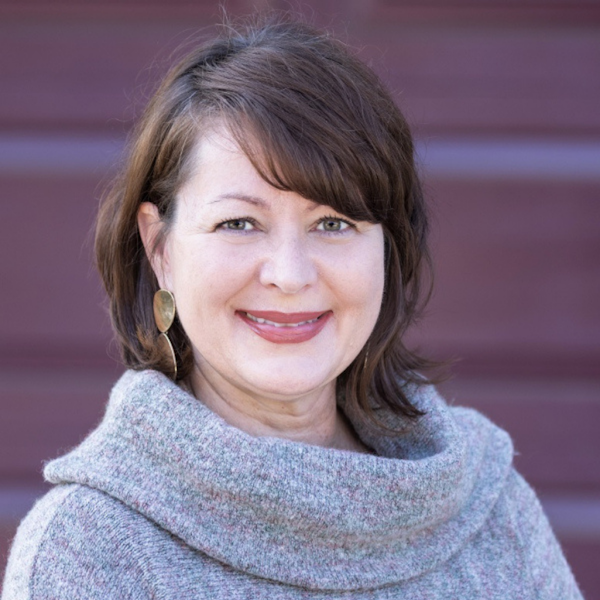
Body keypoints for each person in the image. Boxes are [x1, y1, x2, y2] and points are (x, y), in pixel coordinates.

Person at [2, 18, 583, 600]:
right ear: (160, 249)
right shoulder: (85, 557)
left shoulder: (490, 508)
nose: (289, 274)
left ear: (388, 247)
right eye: (239, 223)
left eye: (333, 223)